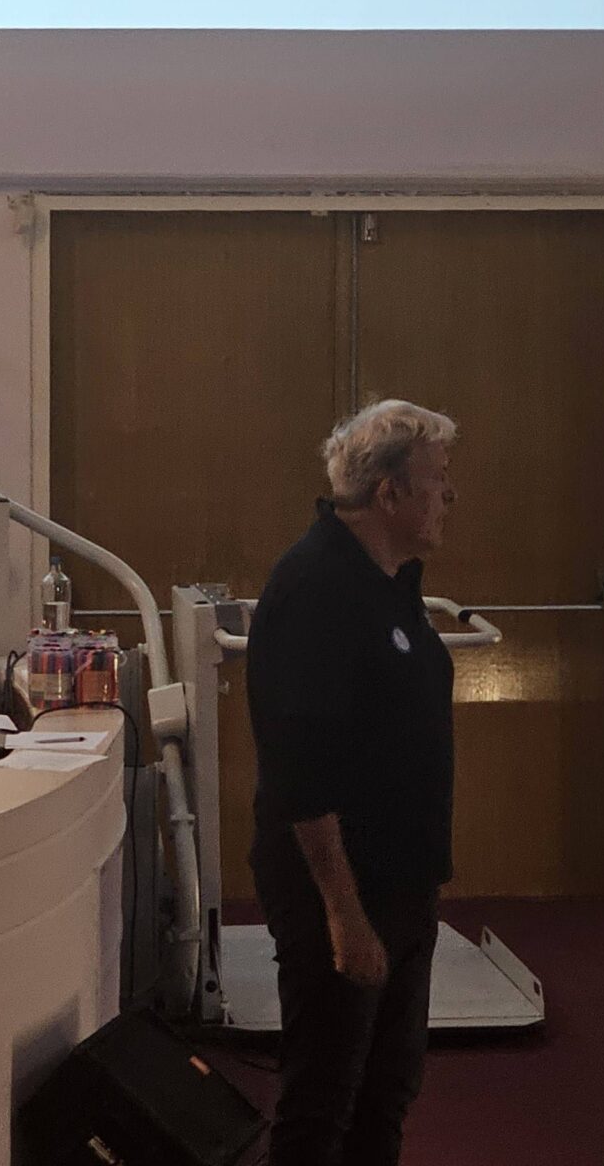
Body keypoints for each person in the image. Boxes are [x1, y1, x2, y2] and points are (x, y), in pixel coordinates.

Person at [245, 398, 459, 1166]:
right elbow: (300, 770)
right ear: (390, 493)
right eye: (437, 479)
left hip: (402, 882)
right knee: (323, 1102)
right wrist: (344, 915)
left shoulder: (389, 582)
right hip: (341, 886)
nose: (449, 495)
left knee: (385, 1093)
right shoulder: (315, 587)